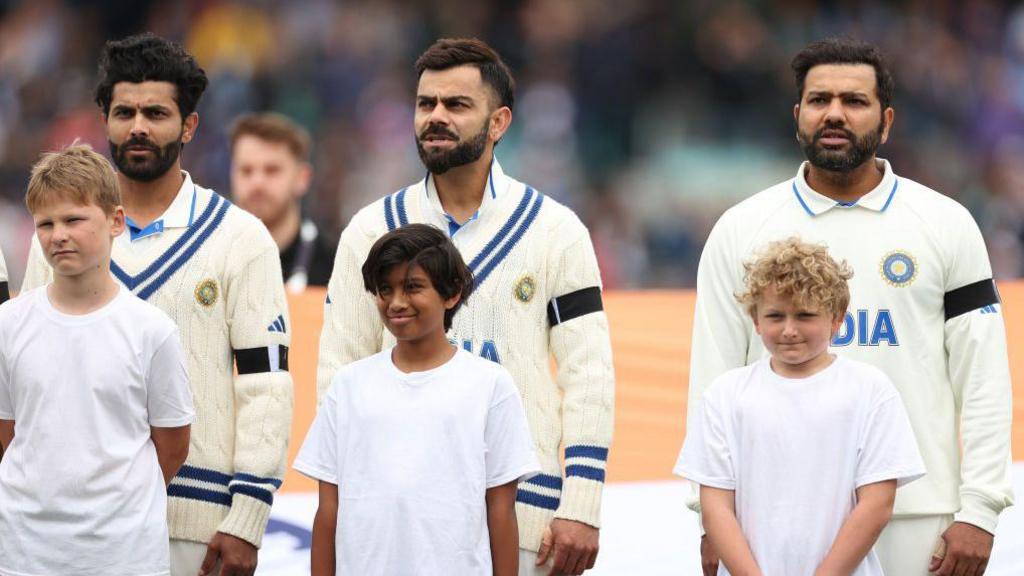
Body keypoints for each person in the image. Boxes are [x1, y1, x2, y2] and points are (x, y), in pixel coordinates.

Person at [686, 37, 1014, 576]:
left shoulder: (946, 223)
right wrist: (709, 516)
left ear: (885, 121)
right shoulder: (741, 229)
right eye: (819, 100)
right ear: (798, 115)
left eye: (854, 101)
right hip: (773, 519)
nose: (834, 113)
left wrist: (980, 509)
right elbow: (712, 377)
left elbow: (982, 378)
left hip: (918, 514)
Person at [317, 38, 615, 576]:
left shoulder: (555, 230)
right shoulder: (369, 229)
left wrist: (582, 504)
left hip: (530, 518)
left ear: (498, 122)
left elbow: (588, 373)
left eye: (456, 105)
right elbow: (338, 372)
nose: (435, 117)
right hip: (395, 522)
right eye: (425, 103)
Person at [20, 33, 294, 576]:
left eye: (156, 113)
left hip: (196, 525)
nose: (138, 126)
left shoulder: (240, 238)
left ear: (189, 126)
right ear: (105, 121)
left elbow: (266, 387)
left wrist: (246, 520)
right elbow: (29, 368)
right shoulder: (55, 237)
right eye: (124, 112)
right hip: (66, 525)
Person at [296, 223, 540, 575]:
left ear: (451, 293)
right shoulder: (348, 386)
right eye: (384, 289)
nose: (396, 302)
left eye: (412, 288)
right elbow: (328, 511)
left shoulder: (490, 386)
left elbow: (501, 511)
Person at [676, 237, 925, 575]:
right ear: (755, 320)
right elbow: (716, 505)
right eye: (775, 316)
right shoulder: (725, 394)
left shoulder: (871, 390)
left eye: (805, 315)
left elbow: (877, 504)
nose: (789, 330)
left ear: (837, 319)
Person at [0, 143, 194, 575]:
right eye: (45, 224)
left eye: (73, 219)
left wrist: (117, 507)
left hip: (124, 555)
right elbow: (9, 433)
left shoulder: (151, 330)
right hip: (25, 553)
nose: (58, 234)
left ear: (115, 221)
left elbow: (172, 446)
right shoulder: (7, 325)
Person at [229, 112, 336, 292]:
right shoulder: (206, 262)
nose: (257, 183)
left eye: (272, 170)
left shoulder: (338, 270)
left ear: (302, 178)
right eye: (246, 170)